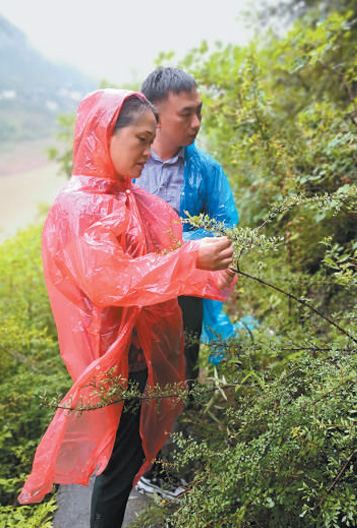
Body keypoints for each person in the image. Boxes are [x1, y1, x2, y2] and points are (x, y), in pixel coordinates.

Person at [17, 89, 236, 528]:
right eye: (140, 139)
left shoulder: (129, 199)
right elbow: (109, 281)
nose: (147, 151)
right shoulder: (81, 206)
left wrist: (209, 274)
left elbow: (155, 264)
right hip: (113, 358)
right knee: (119, 467)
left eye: (151, 139)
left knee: (125, 459)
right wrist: (192, 259)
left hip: (139, 353)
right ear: (105, 134)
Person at [134, 67, 239, 385]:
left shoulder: (206, 170)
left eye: (199, 112)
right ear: (155, 117)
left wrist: (225, 261)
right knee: (137, 364)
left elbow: (226, 227)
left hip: (186, 290)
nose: (196, 123)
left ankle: (184, 408)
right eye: (186, 114)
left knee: (185, 352)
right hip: (136, 285)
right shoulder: (130, 162)